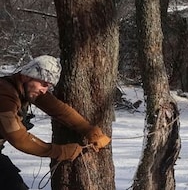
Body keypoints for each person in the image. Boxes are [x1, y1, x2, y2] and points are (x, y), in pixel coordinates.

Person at [0, 55, 111, 189]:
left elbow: (59, 110)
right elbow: (19, 139)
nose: (44, 90)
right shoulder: (4, 96)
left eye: (49, 86)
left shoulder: (27, 88)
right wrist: (59, 151)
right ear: (26, 76)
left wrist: (88, 129)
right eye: (43, 83)